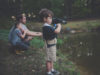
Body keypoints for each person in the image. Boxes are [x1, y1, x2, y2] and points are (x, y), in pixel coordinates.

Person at [39, 8, 61, 75]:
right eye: (49, 18)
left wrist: (55, 27)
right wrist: (59, 26)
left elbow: (53, 31)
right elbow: (57, 31)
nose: (51, 19)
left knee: (51, 58)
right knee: (48, 59)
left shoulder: (48, 26)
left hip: (52, 45)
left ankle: (52, 69)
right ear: (44, 19)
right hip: (49, 46)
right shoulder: (46, 27)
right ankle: (49, 72)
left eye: (51, 18)